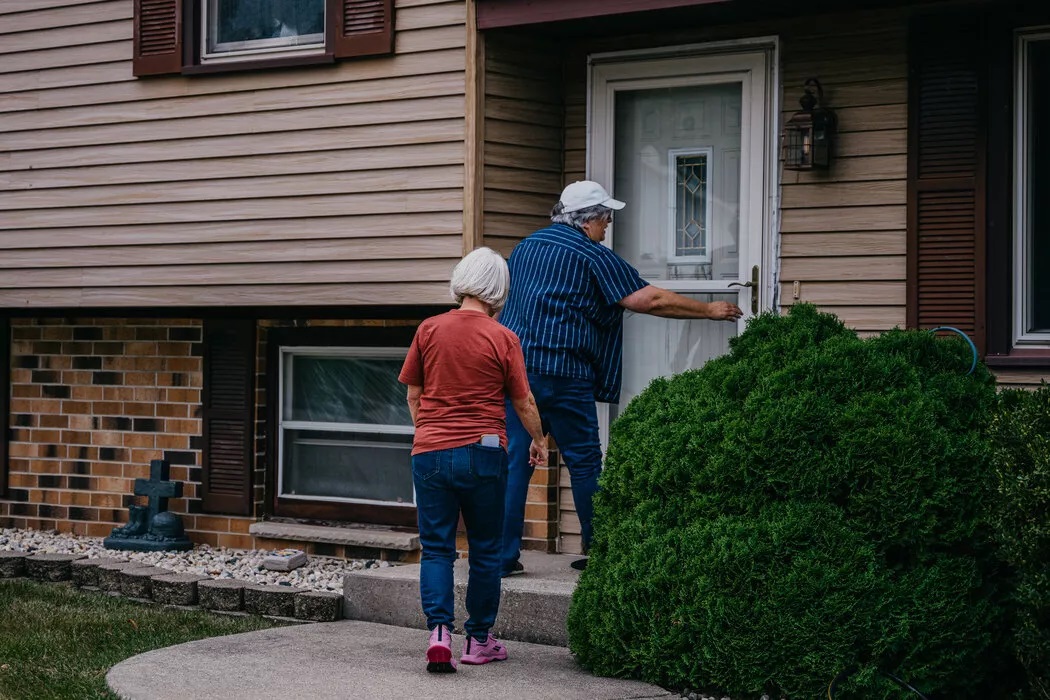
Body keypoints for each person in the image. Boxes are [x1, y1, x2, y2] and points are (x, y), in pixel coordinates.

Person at [498, 180, 743, 576]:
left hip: (517, 371)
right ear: (588, 219)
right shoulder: (590, 254)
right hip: (564, 371)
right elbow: (650, 299)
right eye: (605, 218)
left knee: (514, 463)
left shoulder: (525, 247)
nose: (607, 225)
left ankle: (502, 558)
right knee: (584, 461)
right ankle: (601, 554)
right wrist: (709, 310)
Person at [399, 247, 548, 673]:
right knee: (485, 549)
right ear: (499, 290)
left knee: (437, 548)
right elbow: (523, 400)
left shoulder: (428, 329)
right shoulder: (503, 338)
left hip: (429, 451)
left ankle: (439, 633)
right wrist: (539, 440)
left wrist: (427, 431)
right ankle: (479, 640)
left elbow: (412, 393)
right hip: (484, 452)